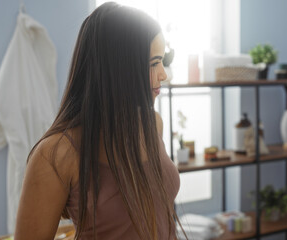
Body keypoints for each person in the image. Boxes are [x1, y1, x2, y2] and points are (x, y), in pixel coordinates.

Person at [14, 2, 187, 240]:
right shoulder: (55, 154)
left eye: (162, 62)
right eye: (153, 64)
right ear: (119, 69)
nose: (163, 75)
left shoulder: (152, 124)